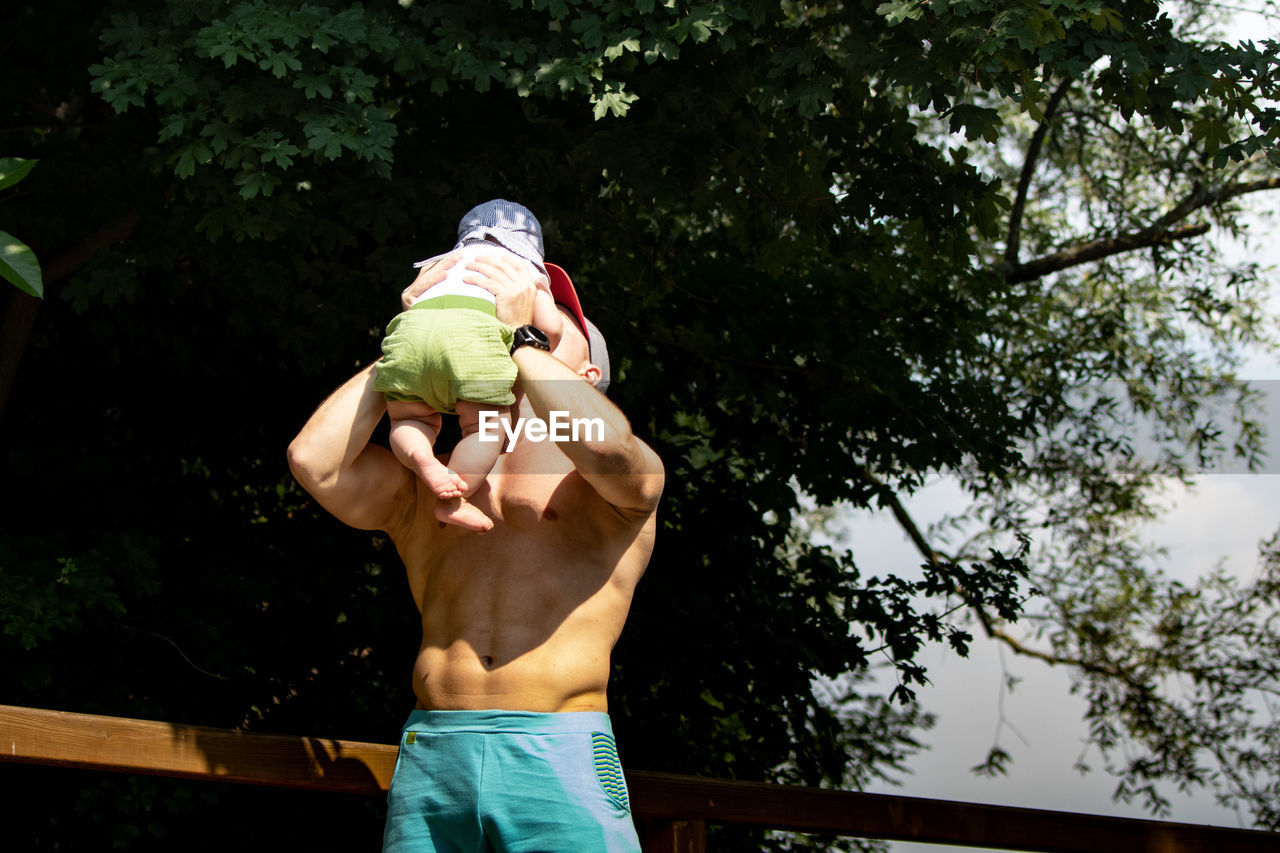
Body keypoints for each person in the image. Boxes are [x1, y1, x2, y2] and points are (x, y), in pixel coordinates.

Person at [287, 215, 664, 852]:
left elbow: (611, 449)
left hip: (559, 753)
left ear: (589, 375)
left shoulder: (615, 488)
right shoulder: (430, 485)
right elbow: (314, 464)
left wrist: (523, 337)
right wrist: (412, 344)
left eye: (549, 328)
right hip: (434, 752)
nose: (506, 320)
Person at [375, 200, 569, 533]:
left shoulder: (443, 264)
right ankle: (453, 498)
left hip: (408, 333)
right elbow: (551, 329)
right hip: (472, 340)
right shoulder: (523, 270)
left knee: (409, 417)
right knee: (485, 429)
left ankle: (421, 455)